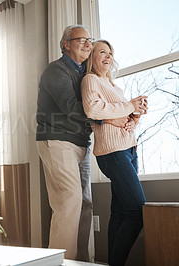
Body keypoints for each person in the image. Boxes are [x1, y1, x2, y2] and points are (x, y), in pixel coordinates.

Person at [81, 39, 148, 266]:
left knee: (120, 213)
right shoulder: (90, 80)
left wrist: (135, 117)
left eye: (110, 53)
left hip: (129, 149)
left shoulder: (114, 87)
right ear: (92, 57)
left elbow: (120, 116)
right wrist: (129, 107)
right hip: (112, 152)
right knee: (137, 211)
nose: (108, 56)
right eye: (102, 52)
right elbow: (93, 109)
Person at [36, 25, 97, 261]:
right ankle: (60, 262)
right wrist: (107, 115)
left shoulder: (86, 75)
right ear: (66, 44)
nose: (87, 43)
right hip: (57, 141)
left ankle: (82, 261)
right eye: (80, 39)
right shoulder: (56, 70)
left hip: (81, 145)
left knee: (85, 204)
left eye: (89, 40)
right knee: (69, 201)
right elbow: (71, 107)